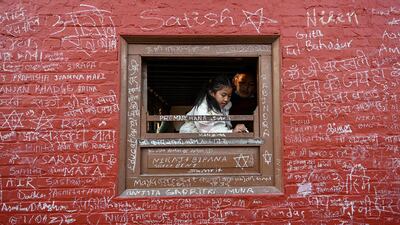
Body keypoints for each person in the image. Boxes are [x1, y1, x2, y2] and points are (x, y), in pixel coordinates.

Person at [179, 75, 248, 133]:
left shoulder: (224, 107)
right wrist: (232, 132)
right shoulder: (202, 107)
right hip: (191, 141)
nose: (226, 99)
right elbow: (207, 131)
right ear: (212, 93)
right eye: (223, 95)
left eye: (229, 96)